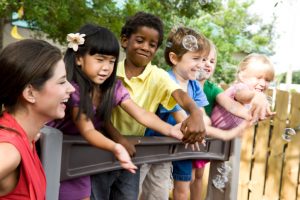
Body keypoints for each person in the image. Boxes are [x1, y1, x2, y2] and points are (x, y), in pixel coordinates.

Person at [50, 23, 184, 200]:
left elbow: (141, 113)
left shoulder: (113, 88)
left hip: (82, 159)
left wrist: (169, 129)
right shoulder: (73, 90)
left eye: (112, 61)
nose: (106, 67)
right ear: (79, 58)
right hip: (56, 154)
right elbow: (87, 129)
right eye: (100, 59)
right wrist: (116, 146)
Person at [91, 12, 206, 200]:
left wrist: (195, 113)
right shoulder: (109, 71)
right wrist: (118, 139)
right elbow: (99, 116)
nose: (145, 47)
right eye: (140, 40)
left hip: (133, 152)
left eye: (152, 44)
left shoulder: (158, 76)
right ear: (125, 40)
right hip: (101, 149)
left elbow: (179, 95)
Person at [140, 27, 211, 200]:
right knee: (136, 188)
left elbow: (203, 117)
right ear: (174, 58)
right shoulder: (166, 80)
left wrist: (200, 125)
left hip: (177, 146)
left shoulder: (195, 86)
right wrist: (196, 126)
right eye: (196, 58)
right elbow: (181, 116)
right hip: (150, 146)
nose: (201, 64)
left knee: (160, 192)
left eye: (203, 59)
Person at [0, 39, 75, 199]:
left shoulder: (27, 136)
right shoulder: (9, 152)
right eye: (62, 81)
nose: (71, 88)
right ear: (30, 93)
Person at [190, 40, 252, 200]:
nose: (208, 64)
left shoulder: (212, 88)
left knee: (198, 175)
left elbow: (230, 104)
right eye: (203, 59)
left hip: (202, 137)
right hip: (184, 135)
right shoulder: (185, 84)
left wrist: (247, 115)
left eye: (212, 61)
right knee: (185, 176)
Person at [210, 53, 275, 130]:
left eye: (267, 80)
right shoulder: (240, 88)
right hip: (208, 135)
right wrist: (255, 95)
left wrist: (256, 116)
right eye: (258, 78)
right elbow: (242, 95)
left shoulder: (253, 101)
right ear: (242, 76)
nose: (263, 84)